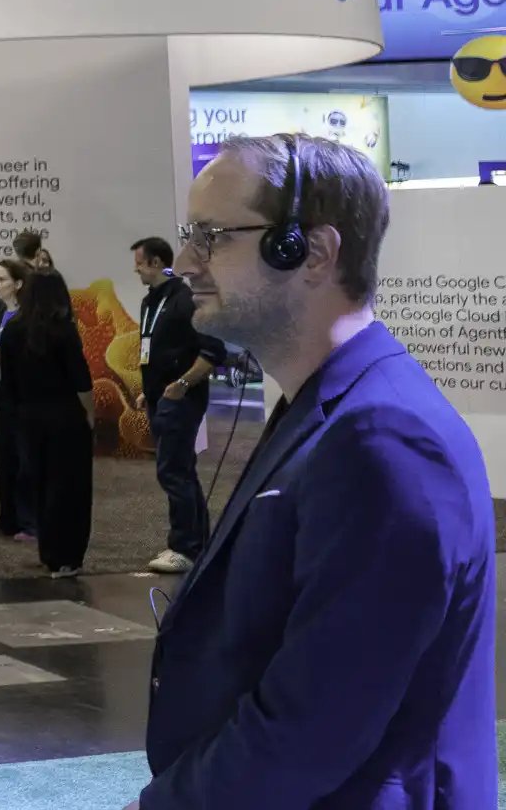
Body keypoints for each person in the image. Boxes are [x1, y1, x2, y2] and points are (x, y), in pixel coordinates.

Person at [136, 135, 494, 809]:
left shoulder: (384, 438)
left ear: (313, 251)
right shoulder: (329, 408)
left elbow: (313, 728)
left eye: (212, 236)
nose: (185, 261)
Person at [129, 236, 225, 575]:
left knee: (173, 471)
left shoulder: (186, 301)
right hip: (160, 397)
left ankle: (184, 547)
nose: (135, 269)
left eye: (139, 262)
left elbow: (212, 351)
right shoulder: (150, 302)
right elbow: (152, 350)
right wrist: (149, 390)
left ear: (156, 263)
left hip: (180, 400)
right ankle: (197, 543)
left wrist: (183, 384)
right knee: (180, 471)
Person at [0, 269, 95, 578]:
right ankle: (68, 557)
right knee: (70, 488)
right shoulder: (62, 330)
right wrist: (90, 416)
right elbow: (81, 380)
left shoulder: (12, 330)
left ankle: (48, 552)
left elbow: (8, 383)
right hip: (65, 417)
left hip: (28, 417)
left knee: (39, 484)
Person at [0, 258, 34, 540]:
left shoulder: (25, 318)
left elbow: (29, 357)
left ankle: (28, 521)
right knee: (4, 459)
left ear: (18, 284)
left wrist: (1, 354)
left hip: (21, 396)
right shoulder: (2, 314)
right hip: (2, 393)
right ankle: (8, 518)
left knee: (23, 459)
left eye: (2, 280)